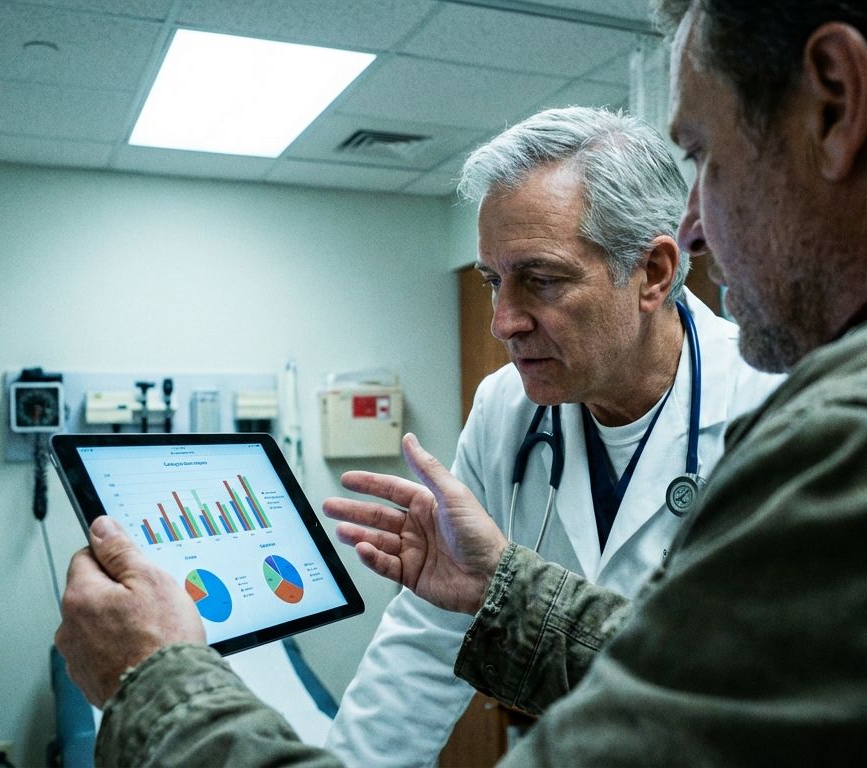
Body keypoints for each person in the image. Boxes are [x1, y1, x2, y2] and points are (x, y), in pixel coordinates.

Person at [56, 0, 867, 764]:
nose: (706, 216)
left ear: (834, 100)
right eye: (490, 281)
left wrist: (158, 684)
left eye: (708, 158)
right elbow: (743, 686)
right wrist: (502, 594)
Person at [323, 106, 780, 768]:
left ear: (652, 273)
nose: (503, 322)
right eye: (492, 281)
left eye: (540, 280)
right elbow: (431, 632)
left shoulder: (773, 401)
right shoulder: (506, 407)